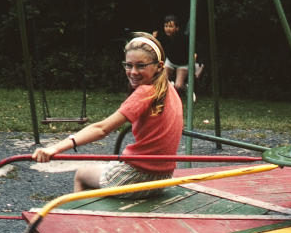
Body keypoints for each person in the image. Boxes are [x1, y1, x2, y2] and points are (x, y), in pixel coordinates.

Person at [32, 33, 183, 198]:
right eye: (129, 65)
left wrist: (55, 148)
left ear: (159, 66)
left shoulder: (146, 92)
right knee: (108, 166)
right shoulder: (168, 88)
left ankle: (83, 219)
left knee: (81, 175)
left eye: (141, 66)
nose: (133, 72)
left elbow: (101, 129)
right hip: (163, 177)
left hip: (137, 177)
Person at [156, 14, 202, 92]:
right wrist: (154, 38)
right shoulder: (162, 37)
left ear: (177, 28)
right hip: (170, 61)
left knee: (178, 86)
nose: (167, 29)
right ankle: (170, 86)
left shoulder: (183, 38)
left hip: (183, 63)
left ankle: (186, 87)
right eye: (166, 26)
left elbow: (195, 50)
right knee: (161, 81)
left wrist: (195, 58)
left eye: (170, 26)